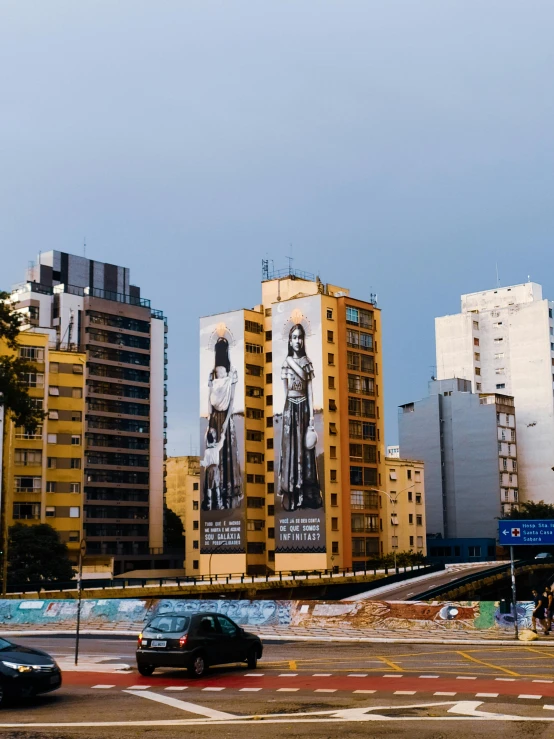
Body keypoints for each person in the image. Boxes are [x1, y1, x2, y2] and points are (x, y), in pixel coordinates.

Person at [278, 323, 322, 511]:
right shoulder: (286, 363)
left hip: (304, 410)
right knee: (290, 451)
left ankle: (307, 495)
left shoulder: (306, 362)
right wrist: (287, 414)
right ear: (290, 340)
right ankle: (291, 494)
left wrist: (311, 419)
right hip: (291, 411)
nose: (297, 340)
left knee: (306, 452)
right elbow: (286, 392)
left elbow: (310, 392)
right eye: (294, 337)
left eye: (300, 337)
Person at [202, 336, 242, 510]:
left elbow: (232, 400)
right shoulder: (212, 373)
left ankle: (228, 493)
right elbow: (209, 400)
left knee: (227, 453)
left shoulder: (232, 371)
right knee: (216, 454)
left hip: (225, 417)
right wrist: (209, 423)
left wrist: (226, 422)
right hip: (215, 418)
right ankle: (214, 497)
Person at [200, 427, 226, 510]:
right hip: (216, 469)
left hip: (209, 469)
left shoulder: (207, 451)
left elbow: (205, 463)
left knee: (209, 488)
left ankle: (209, 504)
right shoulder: (216, 448)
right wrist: (222, 436)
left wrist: (200, 462)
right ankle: (218, 504)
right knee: (217, 486)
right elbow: (222, 442)